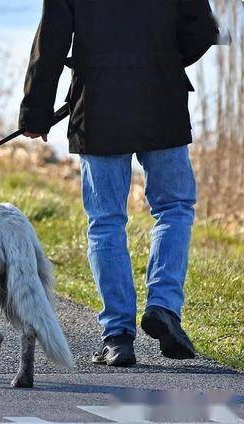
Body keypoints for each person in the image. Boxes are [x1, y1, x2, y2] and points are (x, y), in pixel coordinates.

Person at [19, 0, 219, 366]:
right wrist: (164, 61)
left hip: (98, 107)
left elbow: (51, 40)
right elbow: (203, 30)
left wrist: (36, 112)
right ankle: (164, 307)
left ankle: (117, 336)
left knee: (106, 220)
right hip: (162, 101)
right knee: (174, 208)